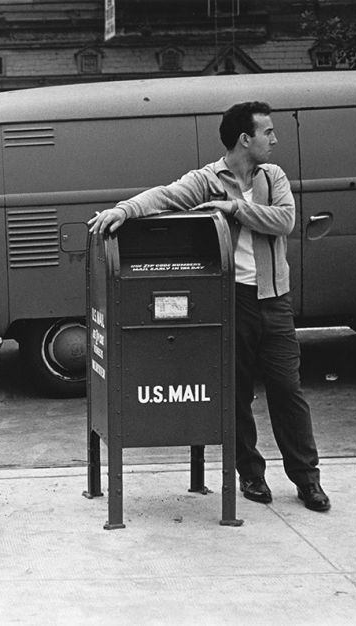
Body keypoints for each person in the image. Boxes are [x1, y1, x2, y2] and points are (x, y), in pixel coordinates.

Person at [88, 101, 330, 513]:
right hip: (232, 299)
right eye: (267, 132)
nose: (274, 140)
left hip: (275, 300)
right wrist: (123, 211)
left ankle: (307, 480)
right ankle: (250, 475)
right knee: (234, 394)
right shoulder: (208, 179)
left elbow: (285, 220)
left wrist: (234, 209)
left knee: (288, 391)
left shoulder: (274, 177)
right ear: (244, 139)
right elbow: (165, 197)